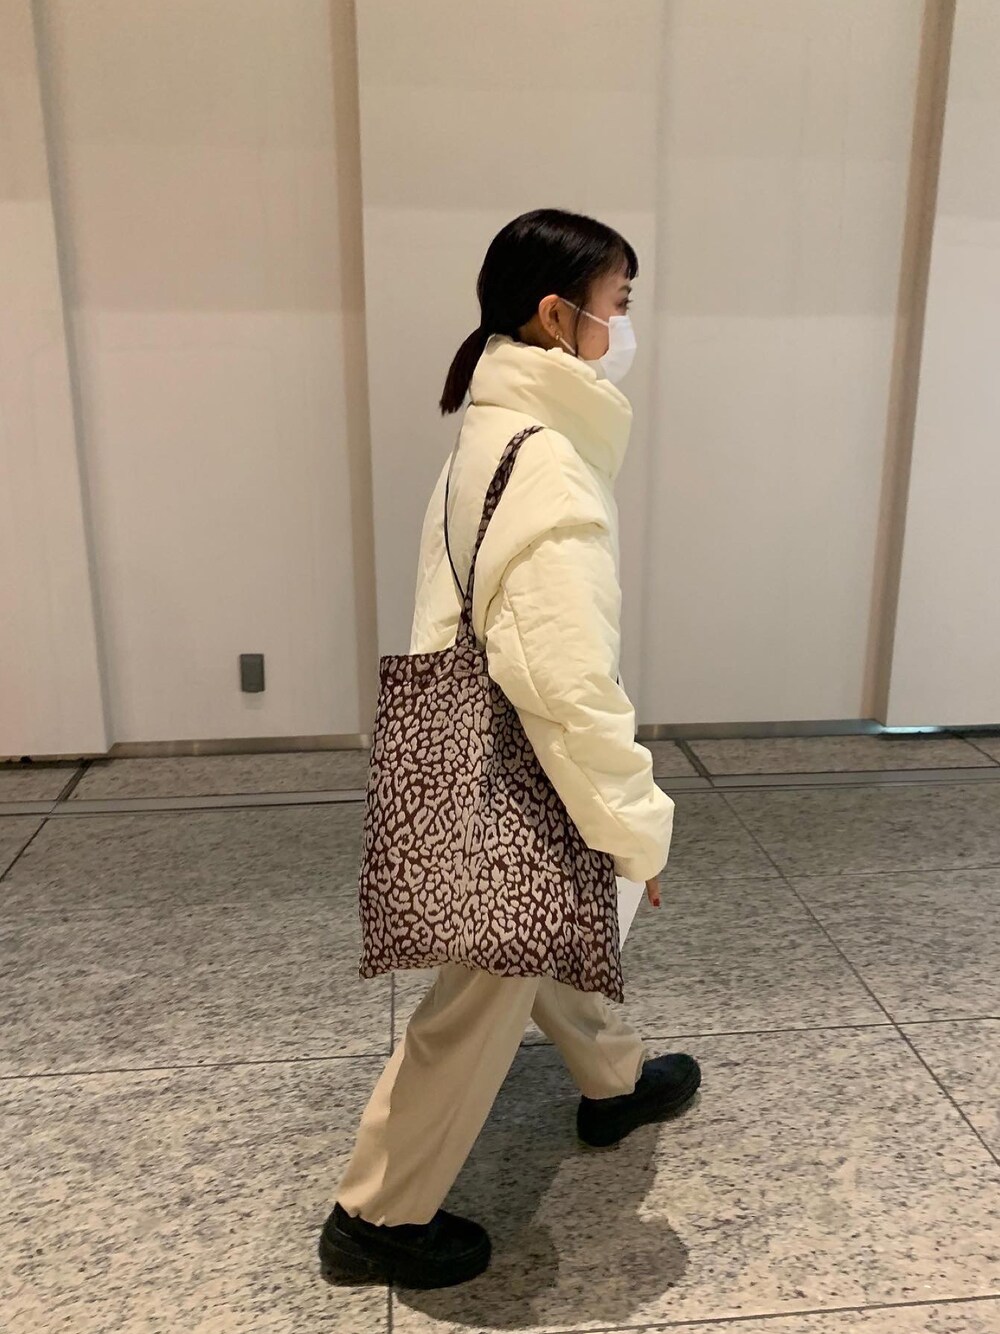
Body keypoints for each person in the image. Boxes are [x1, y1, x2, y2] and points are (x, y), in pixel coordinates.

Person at [319, 209, 700, 1290]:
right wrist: (636, 827)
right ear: (556, 315)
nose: (626, 326)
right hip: (519, 767)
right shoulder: (549, 466)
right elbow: (564, 687)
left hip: (478, 756)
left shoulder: (492, 434)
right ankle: (375, 1215)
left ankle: (612, 1080)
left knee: (531, 940)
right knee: (480, 986)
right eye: (619, 304)